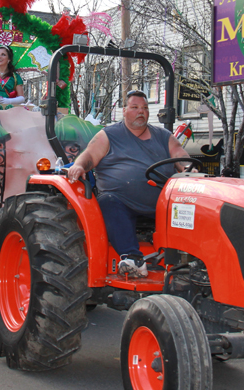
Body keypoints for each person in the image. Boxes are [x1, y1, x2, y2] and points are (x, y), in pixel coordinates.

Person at [67, 90, 191, 277]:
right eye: (134, 107)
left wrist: (190, 169)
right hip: (120, 202)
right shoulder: (109, 135)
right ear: (124, 110)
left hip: (162, 205)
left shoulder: (163, 136)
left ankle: (191, 259)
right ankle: (132, 258)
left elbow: (180, 155)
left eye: (144, 108)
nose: (141, 111)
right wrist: (79, 165)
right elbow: (90, 155)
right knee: (108, 201)